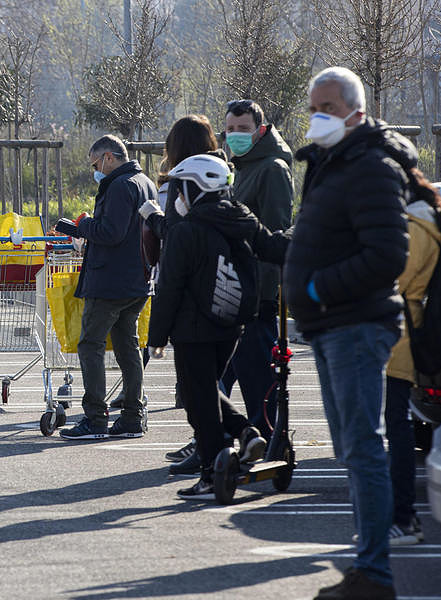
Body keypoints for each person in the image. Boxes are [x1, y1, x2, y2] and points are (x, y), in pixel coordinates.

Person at [285, 66, 411, 600]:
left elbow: (388, 254)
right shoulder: (332, 164)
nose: (318, 117)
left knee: (362, 447)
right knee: (351, 449)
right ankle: (365, 569)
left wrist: (317, 289)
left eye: (329, 108)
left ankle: (374, 573)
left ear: (356, 113)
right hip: (330, 325)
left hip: (355, 325)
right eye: (314, 107)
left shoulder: (370, 167)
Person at [146, 153, 291, 500]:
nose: (178, 196)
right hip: (231, 327)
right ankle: (246, 433)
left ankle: (213, 471)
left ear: (195, 189)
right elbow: (273, 247)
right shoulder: (242, 219)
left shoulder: (185, 231)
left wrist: (156, 337)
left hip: (192, 330)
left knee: (199, 404)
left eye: (182, 188)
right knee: (204, 391)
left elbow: (169, 288)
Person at [54, 135, 152, 439]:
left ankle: (95, 418)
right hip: (137, 280)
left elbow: (111, 232)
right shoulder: (144, 182)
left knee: (90, 344)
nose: (95, 171)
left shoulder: (120, 185)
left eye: (95, 164)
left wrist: (81, 226)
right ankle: (132, 417)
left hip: (110, 282)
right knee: (128, 346)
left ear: (109, 157)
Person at [219, 99, 294, 441]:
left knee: (258, 384)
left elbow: (274, 235)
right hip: (233, 289)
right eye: (230, 129)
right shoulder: (241, 167)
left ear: (261, 130)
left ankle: (268, 443)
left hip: (254, 296)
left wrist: (262, 295)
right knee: (212, 380)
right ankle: (211, 440)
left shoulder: (272, 169)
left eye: (243, 129)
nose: (235, 135)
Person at [383, 169, 441, 545]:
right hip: (407, 331)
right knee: (398, 426)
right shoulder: (427, 220)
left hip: (402, 334)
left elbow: (398, 281)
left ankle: (404, 517)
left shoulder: (416, 226)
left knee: (397, 429)